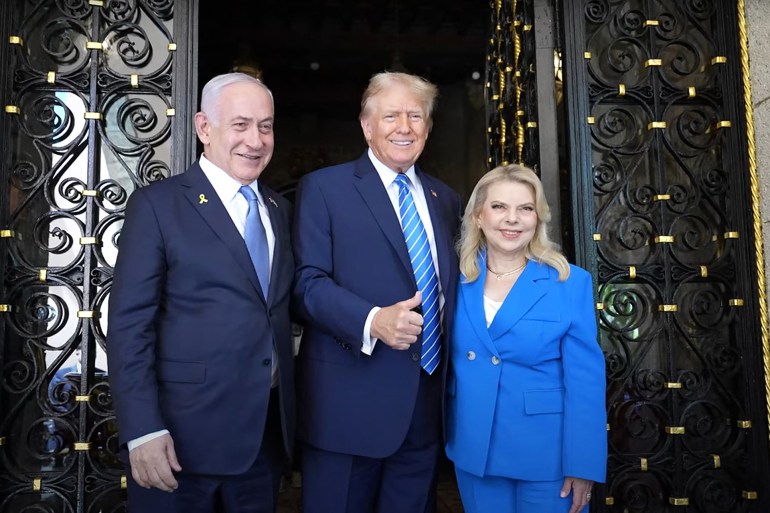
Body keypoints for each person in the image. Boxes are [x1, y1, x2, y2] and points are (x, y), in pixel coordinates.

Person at [107, 72, 295, 513]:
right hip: (177, 443)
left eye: (265, 126)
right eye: (241, 124)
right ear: (204, 128)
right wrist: (143, 429)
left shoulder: (278, 209)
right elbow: (129, 326)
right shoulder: (157, 205)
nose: (256, 139)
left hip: (263, 441)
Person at [292, 71, 463, 513]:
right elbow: (306, 285)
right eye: (391, 116)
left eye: (415, 115)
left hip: (423, 414)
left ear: (428, 127)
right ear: (367, 125)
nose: (404, 127)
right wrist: (373, 320)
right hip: (347, 410)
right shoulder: (324, 189)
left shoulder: (447, 200)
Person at [445, 164, 607, 513]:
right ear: (478, 216)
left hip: (548, 456)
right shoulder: (452, 280)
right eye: (499, 207)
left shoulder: (569, 282)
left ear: (538, 218)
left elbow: (585, 382)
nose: (512, 219)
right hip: (475, 449)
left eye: (525, 208)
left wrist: (583, 463)